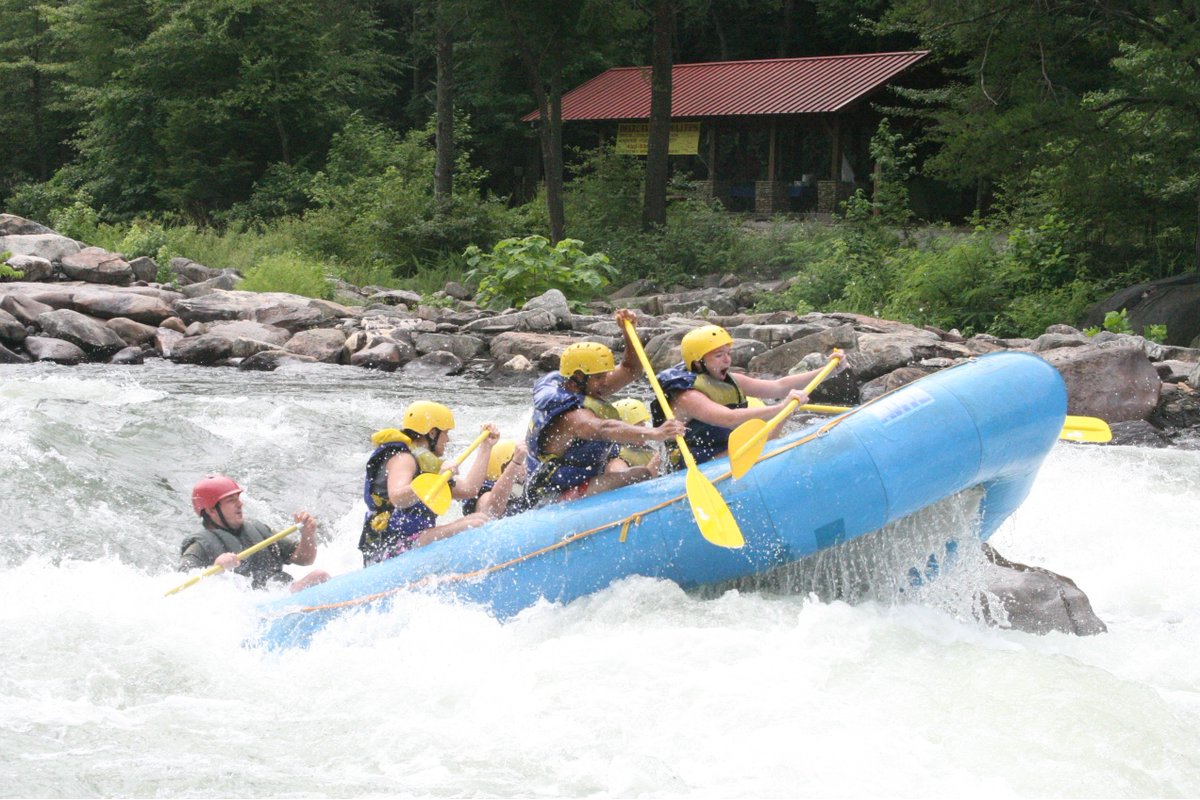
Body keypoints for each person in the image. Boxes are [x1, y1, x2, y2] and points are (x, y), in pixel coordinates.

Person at [525, 310, 685, 506]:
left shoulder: (582, 387)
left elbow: (630, 369)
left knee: (625, 465)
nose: (605, 382)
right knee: (639, 474)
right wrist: (655, 433)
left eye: (605, 375)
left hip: (585, 472)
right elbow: (604, 429)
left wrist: (628, 331)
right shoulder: (572, 417)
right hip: (553, 491)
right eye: (599, 377)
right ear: (578, 377)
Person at [653, 324, 846, 466]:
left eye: (728, 353)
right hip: (692, 462)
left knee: (766, 434)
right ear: (698, 363)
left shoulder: (729, 380)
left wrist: (829, 371)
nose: (727, 360)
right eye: (718, 355)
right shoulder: (687, 396)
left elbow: (778, 386)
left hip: (725, 450)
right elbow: (727, 418)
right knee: (767, 431)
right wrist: (780, 408)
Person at [359, 400, 500, 566]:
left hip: (413, 539)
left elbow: (470, 489)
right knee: (475, 523)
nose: (447, 439)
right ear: (432, 433)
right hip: (388, 548)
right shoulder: (403, 458)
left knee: (479, 517)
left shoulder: (427, 464)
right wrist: (436, 479)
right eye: (445, 433)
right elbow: (397, 497)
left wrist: (486, 447)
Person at [181, 475, 331, 593]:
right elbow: (183, 586)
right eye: (231, 500)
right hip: (250, 611)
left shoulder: (259, 529)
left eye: (238, 498)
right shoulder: (198, 547)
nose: (240, 504)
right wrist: (216, 568)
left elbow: (305, 560)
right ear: (211, 510)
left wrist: (307, 536)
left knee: (320, 576)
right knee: (319, 576)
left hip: (281, 594)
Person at [462, 438, 529, 518]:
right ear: (504, 468)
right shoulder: (486, 495)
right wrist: (516, 462)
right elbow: (491, 512)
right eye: (521, 462)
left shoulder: (521, 488)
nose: (524, 466)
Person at [612, 398, 657, 468]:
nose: (643, 433)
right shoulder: (617, 461)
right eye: (637, 429)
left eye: (643, 426)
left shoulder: (647, 447)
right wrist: (657, 460)